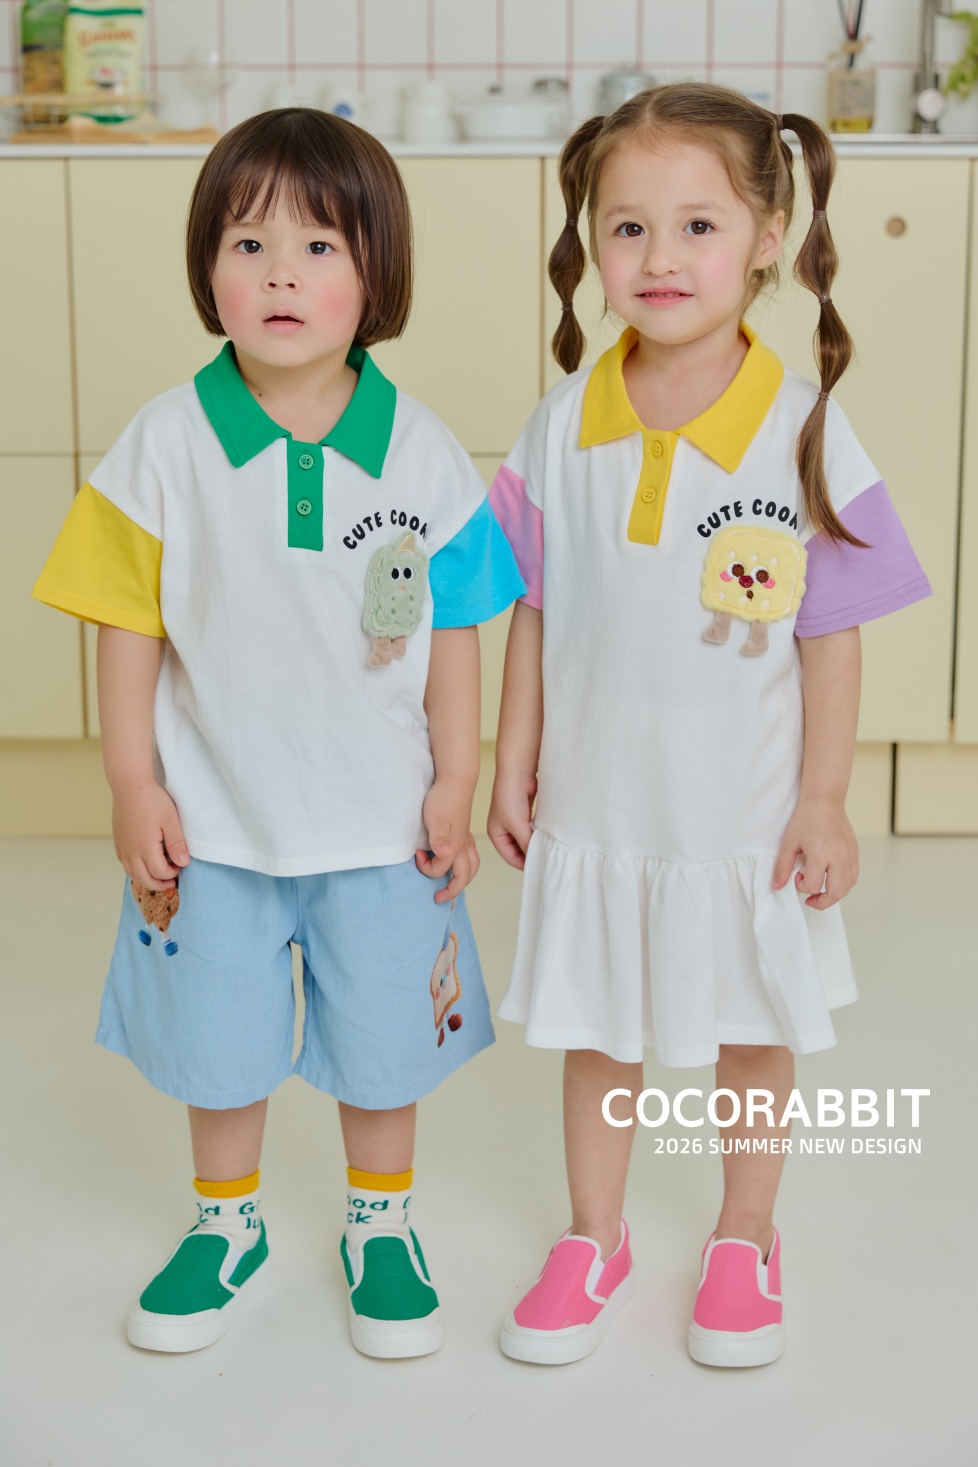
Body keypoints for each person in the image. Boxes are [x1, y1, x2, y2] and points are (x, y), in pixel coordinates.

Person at [32, 107, 524, 1359]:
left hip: (381, 823)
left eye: (318, 247)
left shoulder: (419, 449)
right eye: (248, 246)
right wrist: (132, 780)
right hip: (217, 824)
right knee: (219, 1041)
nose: (281, 277)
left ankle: (381, 1223)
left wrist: (457, 777)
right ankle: (227, 1223)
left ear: (377, 273)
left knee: (384, 1042)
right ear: (208, 269)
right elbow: (127, 624)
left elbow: (457, 631)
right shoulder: (165, 442)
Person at [487, 83, 931, 1369]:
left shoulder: (805, 433)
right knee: (595, 1032)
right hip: (598, 806)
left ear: (767, 237)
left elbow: (831, 632)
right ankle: (596, 1235)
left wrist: (824, 798)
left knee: (752, 1028)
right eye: (627, 228)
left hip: (739, 815)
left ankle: (746, 1234)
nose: (660, 257)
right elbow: (531, 607)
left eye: (698, 225)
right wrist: (513, 761)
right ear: (591, 244)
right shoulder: (562, 425)